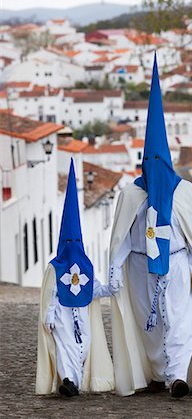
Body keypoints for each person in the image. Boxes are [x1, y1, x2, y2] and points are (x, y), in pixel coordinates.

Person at [109, 54, 192, 398]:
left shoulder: (185, 192)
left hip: (178, 264)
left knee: (181, 322)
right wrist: (114, 268)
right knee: (150, 325)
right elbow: (123, 237)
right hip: (142, 266)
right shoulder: (130, 194)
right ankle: (159, 372)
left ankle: (178, 376)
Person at [36, 159, 114, 396]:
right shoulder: (54, 267)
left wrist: (113, 286)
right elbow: (50, 293)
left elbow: (95, 289)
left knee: (82, 347)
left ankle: (75, 381)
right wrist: (49, 315)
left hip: (81, 314)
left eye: (76, 242)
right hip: (61, 314)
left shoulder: (86, 266)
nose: (73, 246)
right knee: (64, 347)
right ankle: (69, 381)